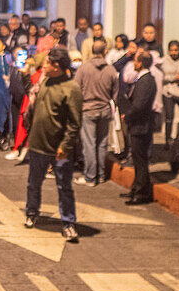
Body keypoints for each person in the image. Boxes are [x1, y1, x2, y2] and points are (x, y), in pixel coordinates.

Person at [23, 48, 82, 241]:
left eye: (48, 63)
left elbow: (74, 123)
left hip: (59, 149)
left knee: (64, 186)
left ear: (57, 66)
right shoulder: (45, 80)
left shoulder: (71, 88)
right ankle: (31, 213)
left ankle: (68, 223)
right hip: (37, 143)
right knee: (33, 183)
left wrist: (65, 146)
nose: (44, 66)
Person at [118, 50, 158, 205]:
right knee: (137, 159)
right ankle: (136, 188)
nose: (134, 63)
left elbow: (139, 105)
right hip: (138, 125)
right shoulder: (142, 79)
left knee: (140, 160)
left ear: (141, 63)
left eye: (135, 61)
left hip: (141, 126)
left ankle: (141, 193)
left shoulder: (146, 81)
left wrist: (127, 116)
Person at [74, 38, 116, 186]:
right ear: (105, 52)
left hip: (88, 110)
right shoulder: (111, 69)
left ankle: (90, 177)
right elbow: (114, 93)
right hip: (104, 110)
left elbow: (76, 89)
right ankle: (101, 175)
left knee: (89, 145)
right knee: (102, 144)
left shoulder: (84, 68)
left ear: (92, 51)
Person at [161, 40, 179, 151]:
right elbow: (161, 77)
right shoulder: (164, 61)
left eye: (176, 50)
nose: (174, 52)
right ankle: (168, 140)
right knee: (169, 117)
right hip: (168, 92)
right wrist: (173, 78)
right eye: (172, 50)